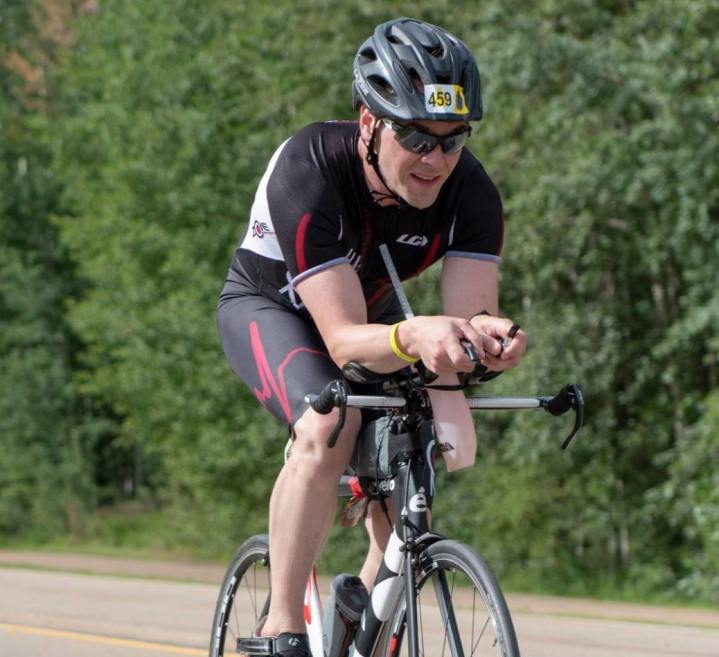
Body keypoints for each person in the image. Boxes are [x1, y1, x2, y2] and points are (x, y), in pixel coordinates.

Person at [217, 17, 527, 657]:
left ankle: (360, 620)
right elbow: (339, 340)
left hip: (376, 319)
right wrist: (413, 335)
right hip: (273, 308)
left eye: (453, 139)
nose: (435, 159)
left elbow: (468, 324)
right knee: (327, 425)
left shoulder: (471, 192)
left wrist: (489, 340)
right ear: (369, 122)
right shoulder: (309, 165)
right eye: (415, 136)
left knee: (416, 445)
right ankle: (281, 626)